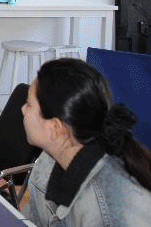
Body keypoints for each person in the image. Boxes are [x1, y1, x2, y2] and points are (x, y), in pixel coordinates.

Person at [23, 58, 151, 227]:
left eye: (28, 104)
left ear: (55, 128)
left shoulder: (111, 210)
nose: (22, 109)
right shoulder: (47, 161)